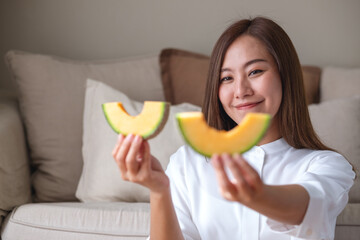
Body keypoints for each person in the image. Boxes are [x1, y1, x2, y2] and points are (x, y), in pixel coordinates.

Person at [112, 17, 355, 240]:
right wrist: (159, 190)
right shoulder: (187, 164)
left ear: (285, 76)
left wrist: (256, 195)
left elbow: (305, 205)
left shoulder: (329, 165)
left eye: (255, 71)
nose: (240, 91)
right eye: (226, 78)